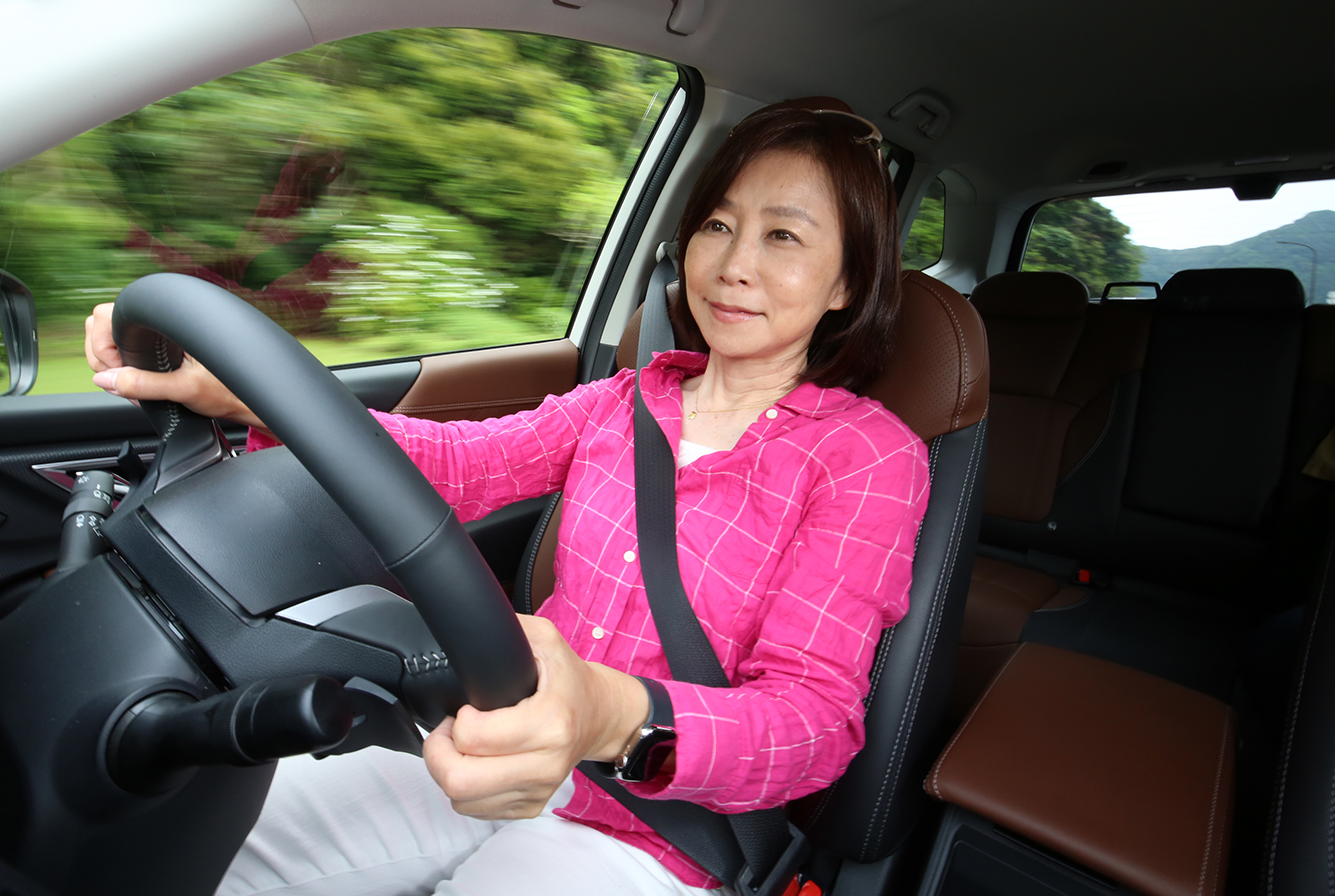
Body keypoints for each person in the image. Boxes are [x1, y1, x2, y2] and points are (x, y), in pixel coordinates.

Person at [84, 99, 930, 896]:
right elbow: (454, 464)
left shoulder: (866, 458)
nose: (736, 263)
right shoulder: (625, 400)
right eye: (719, 224)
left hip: (661, 827)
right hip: (487, 731)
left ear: (847, 283)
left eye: (784, 236)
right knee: (193, 841)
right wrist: (241, 394)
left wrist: (607, 715)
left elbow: (811, 722)